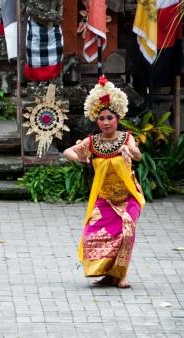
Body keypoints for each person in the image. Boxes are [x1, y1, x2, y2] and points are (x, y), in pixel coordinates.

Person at [63, 75, 145, 289]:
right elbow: (67, 152)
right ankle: (109, 274)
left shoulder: (126, 139)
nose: (106, 122)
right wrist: (81, 157)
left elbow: (138, 156)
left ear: (117, 118)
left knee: (126, 232)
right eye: (102, 119)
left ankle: (122, 274)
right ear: (96, 120)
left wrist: (129, 151)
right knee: (93, 234)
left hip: (128, 197)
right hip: (105, 197)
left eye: (110, 118)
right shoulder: (92, 142)